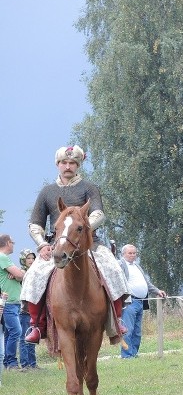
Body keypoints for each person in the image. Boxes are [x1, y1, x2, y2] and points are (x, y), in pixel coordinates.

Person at [21, 145, 130, 344]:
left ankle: (117, 320)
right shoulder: (47, 192)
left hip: (90, 244)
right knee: (34, 274)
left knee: (113, 269)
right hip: (58, 246)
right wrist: (42, 244)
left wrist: (85, 225)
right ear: (58, 164)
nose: (68, 166)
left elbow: (98, 213)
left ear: (78, 165)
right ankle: (37, 325)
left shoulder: (89, 188)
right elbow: (36, 223)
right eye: (64, 162)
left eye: (72, 163)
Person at [119, 244, 167, 359]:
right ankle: (127, 355)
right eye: (130, 253)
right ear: (123, 254)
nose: (132, 255)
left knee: (137, 331)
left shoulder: (137, 266)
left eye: (134, 253)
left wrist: (156, 291)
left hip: (140, 302)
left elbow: (146, 283)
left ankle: (134, 353)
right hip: (129, 302)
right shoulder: (120, 265)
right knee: (127, 330)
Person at [0, 235, 25, 370]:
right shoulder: (2, 257)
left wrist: (17, 274)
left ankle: (7, 362)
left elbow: (20, 274)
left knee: (9, 333)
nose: (14, 245)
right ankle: (12, 363)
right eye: (12, 243)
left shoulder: (5, 259)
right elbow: (21, 275)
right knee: (16, 331)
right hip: (8, 302)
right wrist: (17, 275)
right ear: (8, 243)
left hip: (12, 302)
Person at [18, 250, 38, 370]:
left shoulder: (35, 271)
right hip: (24, 311)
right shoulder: (22, 272)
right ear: (23, 260)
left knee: (33, 337)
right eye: (28, 258)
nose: (31, 260)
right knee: (24, 337)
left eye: (32, 258)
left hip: (34, 310)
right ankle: (25, 364)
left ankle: (33, 364)